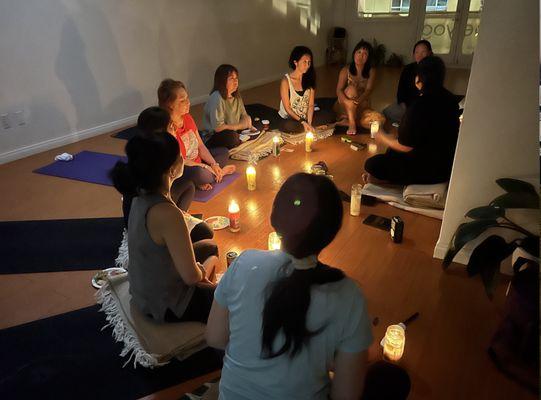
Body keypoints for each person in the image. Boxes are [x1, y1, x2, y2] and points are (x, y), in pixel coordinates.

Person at [206, 173, 373, 399]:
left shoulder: (244, 263)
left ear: (274, 217)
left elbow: (215, 337)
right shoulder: (349, 295)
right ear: (331, 231)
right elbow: (346, 396)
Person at [110, 132, 219, 323]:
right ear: (171, 169)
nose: (183, 159)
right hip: (164, 304)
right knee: (227, 297)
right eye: (179, 155)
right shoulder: (167, 214)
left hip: (144, 288)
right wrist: (203, 271)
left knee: (210, 246)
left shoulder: (138, 194)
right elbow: (191, 276)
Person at [119, 107, 216, 261]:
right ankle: (173, 228)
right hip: (151, 221)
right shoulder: (156, 160)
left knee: (189, 186)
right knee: (207, 237)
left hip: (150, 214)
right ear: (159, 131)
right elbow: (191, 276)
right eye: (171, 126)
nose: (175, 128)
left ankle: (176, 223)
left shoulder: (145, 150)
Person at [364, 56, 460, 185]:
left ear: (420, 79)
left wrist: (383, 136)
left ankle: (389, 182)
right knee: (391, 151)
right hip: (447, 167)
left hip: (428, 170)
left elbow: (405, 147)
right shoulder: (451, 99)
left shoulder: (420, 105)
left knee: (372, 164)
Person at [158, 79, 236, 191]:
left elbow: (200, 146)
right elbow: (180, 161)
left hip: (198, 162)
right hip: (184, 169)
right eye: (182, 100)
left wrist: (214, 164)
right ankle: (215, 175)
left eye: (187, 98)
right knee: (200, 173)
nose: (188, 102)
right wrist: (205, 166)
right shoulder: (167, 128)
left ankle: (214, 174)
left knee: (223, 152)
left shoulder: (187, 118)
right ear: (170, 104)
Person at [278, 46, 333, 133]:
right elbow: (287, 108)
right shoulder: (286, 81)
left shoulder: (309, 78)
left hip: (305, 116)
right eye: (304, 62)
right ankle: (308, 127)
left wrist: (309, 123)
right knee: (288, 126)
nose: (307, 65)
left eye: (309, 62)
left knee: (329, 115)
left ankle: (308, 127)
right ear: (295, 62)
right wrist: (303, 122)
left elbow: (311, 105)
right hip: (291, 118)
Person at [335, 40, 384, 135]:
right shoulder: (345, 70)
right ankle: (352, 123)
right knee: (351, 90)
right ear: (354, 53)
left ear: (368, 58)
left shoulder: (371, 71)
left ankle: (349, 121)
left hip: (362, 104)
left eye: (365, 54)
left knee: (377, 122)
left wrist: (358, 101)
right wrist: (347, 101)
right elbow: (339, 90)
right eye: (359, 52)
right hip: (345, 105)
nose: (361, 56)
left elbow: (368, 90)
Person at [202, 64, 256, 149]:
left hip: (233, 129)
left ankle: (240, 139)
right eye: (231, 79)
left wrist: (249, 124)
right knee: (232, 138)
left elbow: (244, 116)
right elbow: (218, 128)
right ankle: (238, 140)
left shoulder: (236, 96)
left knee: (258, 123)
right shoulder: (217, 97)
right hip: (215, 136)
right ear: (222, 81)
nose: (236, 82)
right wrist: (241, 125)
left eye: (236, 78)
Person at [383, 40, 433, 124]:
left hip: (425, 106)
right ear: (413, 54)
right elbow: (401, 90)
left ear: (430, 53)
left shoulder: (433, 70)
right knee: (386, 112)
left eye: (423, 52)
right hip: (406, 105)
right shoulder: (408, 69)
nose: (420, 55)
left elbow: (433, 94)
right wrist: (403, 105)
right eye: (417, 52)